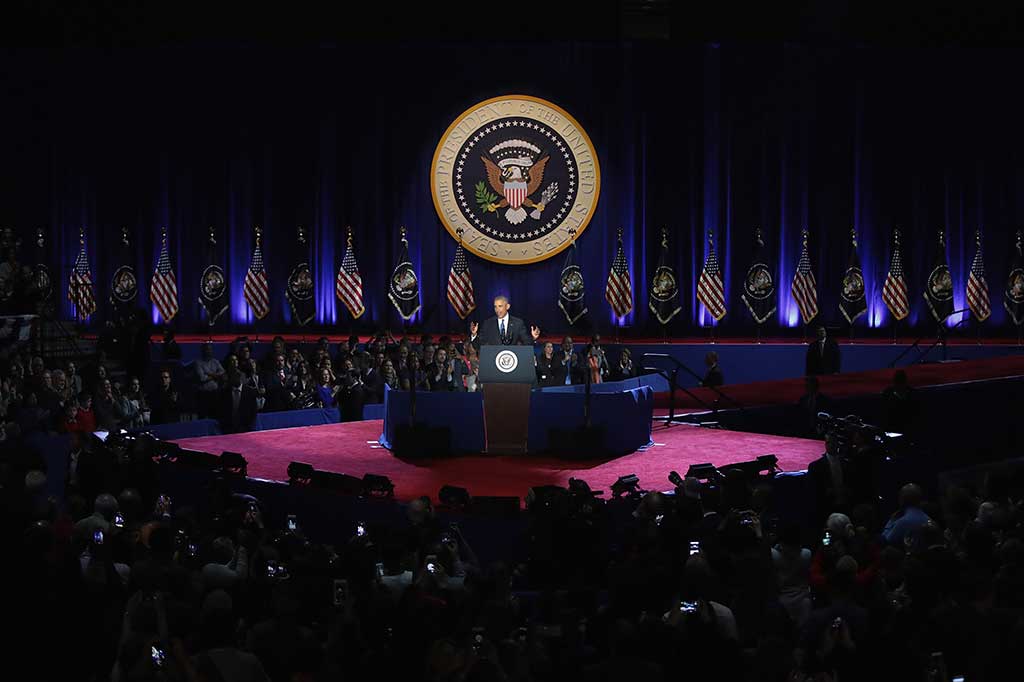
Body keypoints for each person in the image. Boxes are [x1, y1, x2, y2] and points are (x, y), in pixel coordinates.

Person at [468, 295, 540, 350]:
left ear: (507, 306)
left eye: (500, 306)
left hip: (511, 362)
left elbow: (526, 343)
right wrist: (474, 334)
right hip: (493, 362)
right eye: (495, 307)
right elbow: (478, 346)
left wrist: (533, 338)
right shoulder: (488, 323)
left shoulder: (518, 323)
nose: (497, 310)